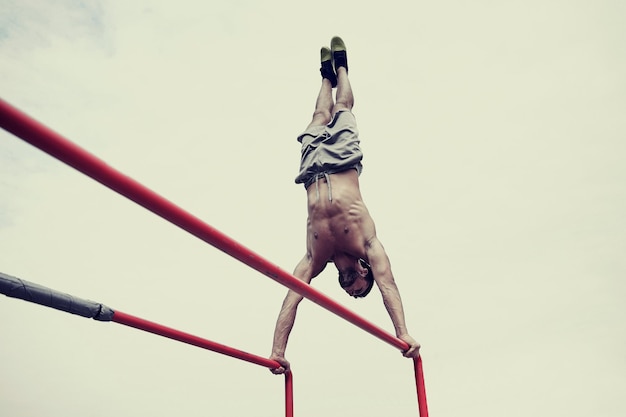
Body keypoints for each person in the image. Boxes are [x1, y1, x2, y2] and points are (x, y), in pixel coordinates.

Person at [269, 36, 420, 374]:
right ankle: (341, 67)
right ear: (364, 272)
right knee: (343, 109)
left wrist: (277, 350)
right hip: (342, 160)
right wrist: (403, 332)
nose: (351, 291)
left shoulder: (315, 258)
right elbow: (389, 286)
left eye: (352, 293)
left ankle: (325, 75)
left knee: (319, 114)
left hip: (310, 171)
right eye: (357, 289)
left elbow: (291, 297)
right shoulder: (367, 243)